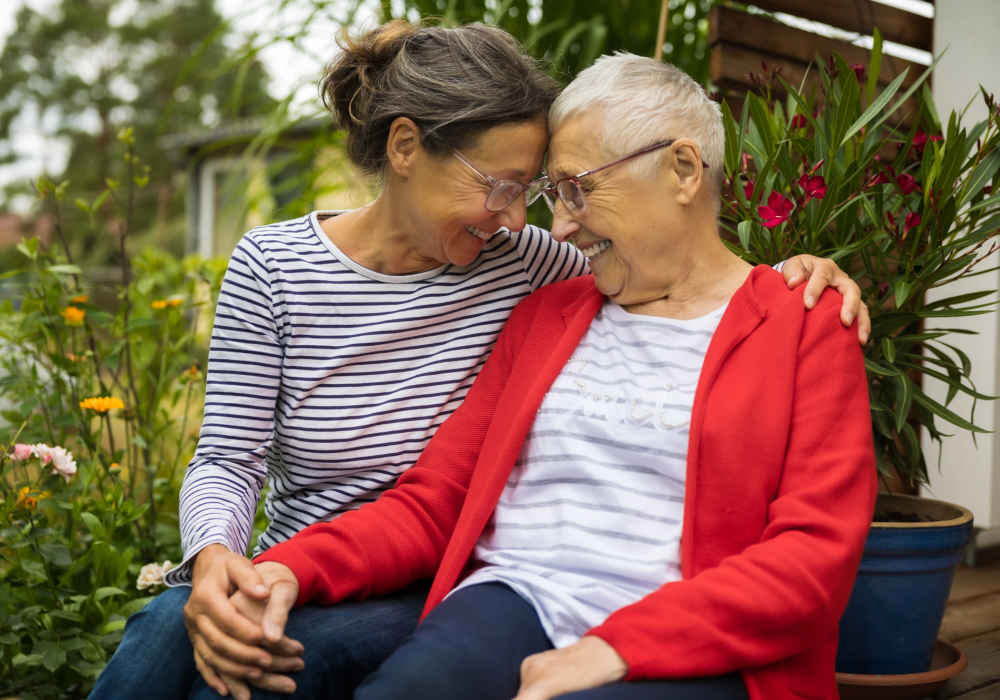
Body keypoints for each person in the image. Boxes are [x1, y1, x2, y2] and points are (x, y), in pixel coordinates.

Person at [89, 22, 868, 700]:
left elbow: (699, 279)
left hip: (516, 592)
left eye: (557, 190)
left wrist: (805, 273)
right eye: (515, 188)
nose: (539, 223)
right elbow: (399, 489)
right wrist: (256, 562)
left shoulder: (542, 266)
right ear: (404, 149)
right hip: (416, 573)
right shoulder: (532, 297)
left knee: (259, 666)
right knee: (176, 630)